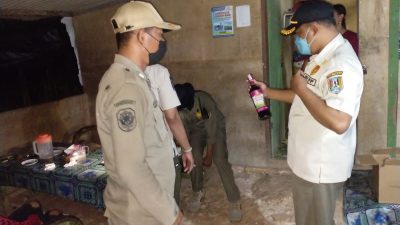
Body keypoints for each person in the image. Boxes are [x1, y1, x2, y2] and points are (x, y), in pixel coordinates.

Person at [263, 1, 362, 225]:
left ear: (313, 29)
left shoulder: (341, 64)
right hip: (307, 160)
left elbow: (339, 122)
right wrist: (268, 92)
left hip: (321, 166)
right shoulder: (320, 57)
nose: (296, 40)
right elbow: (303, 98)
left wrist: (301, 89)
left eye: (299, 33)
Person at [95, 1, 184, 225]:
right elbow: (131, 167)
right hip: (141, 214)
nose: (162, 41)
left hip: (142, 207)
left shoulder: (130, 78)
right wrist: (169, 214)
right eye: (158, 34)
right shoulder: (127, 87)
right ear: (142, 37)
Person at [174, 83, 242, 222]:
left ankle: (234, 201)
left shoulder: (204, 100)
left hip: (215, 127)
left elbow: (212, 130)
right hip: (197, 130)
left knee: (219, 159)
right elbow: (183, 131)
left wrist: (209, 155)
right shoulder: (178, 108)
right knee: (194, 157)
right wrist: (184, 150)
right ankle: (197, 191)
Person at [145, 63, 195, 206]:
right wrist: (187, 149)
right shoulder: (157, 72)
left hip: (138, 158)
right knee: (169, 206)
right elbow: (172, 117)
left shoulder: (116, 75)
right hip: (161, 155)